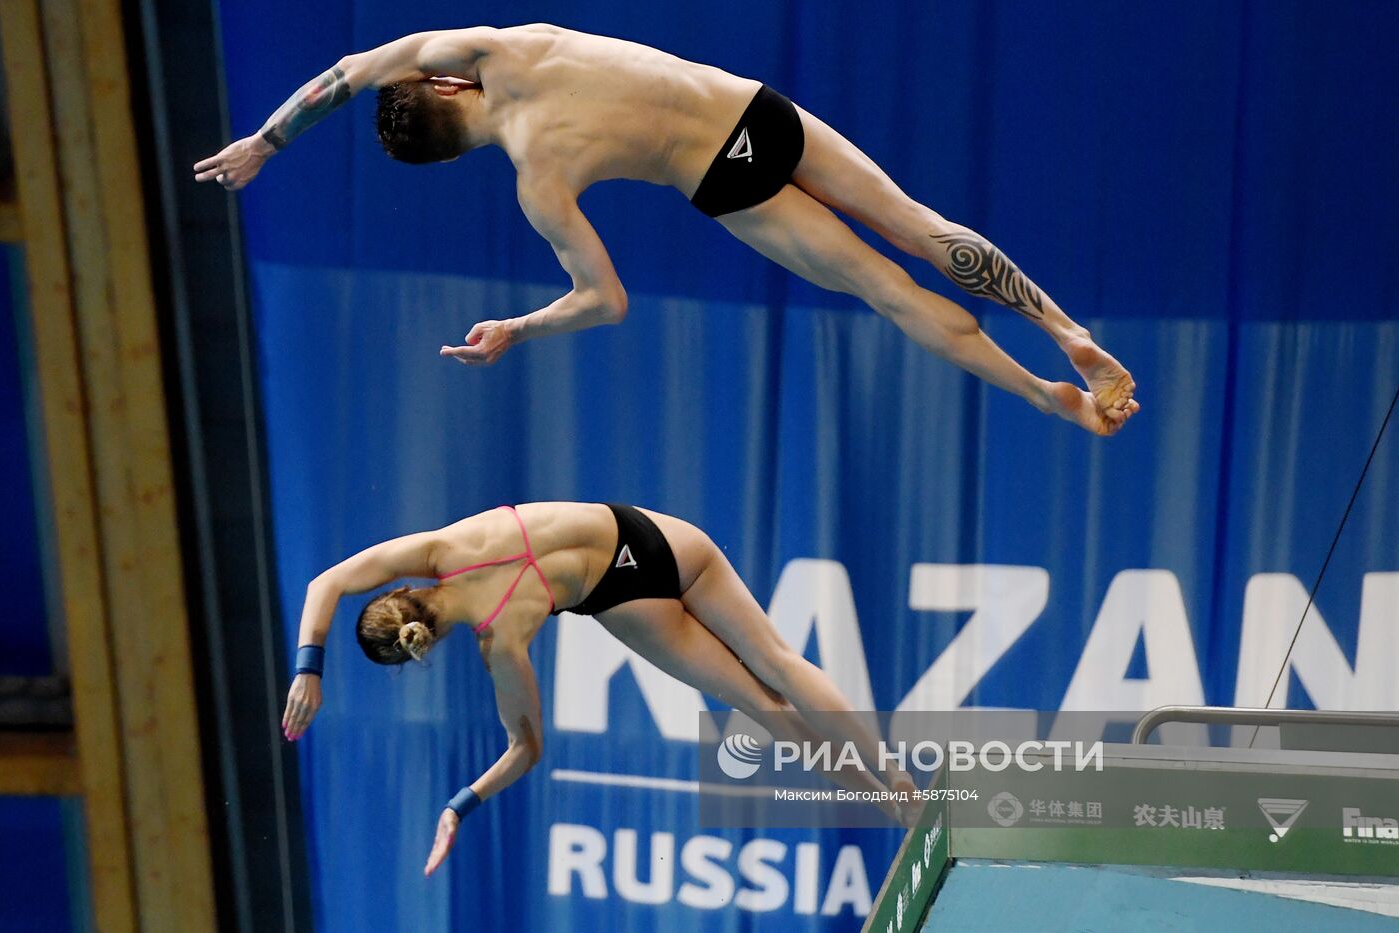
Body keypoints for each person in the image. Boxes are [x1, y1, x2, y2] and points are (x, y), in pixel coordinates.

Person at [195, 24, 1140, 436]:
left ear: (450, 153)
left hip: (724, 185)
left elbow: (604, 302)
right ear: (446, 84)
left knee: (889, 293)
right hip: (757, 114)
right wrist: (270, 140)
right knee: (921, 228)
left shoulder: (540, 182)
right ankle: (1065, 330)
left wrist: (516, 330)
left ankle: (1041, 393)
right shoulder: (507, 49)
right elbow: (356, 67)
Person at [281, 501, 916, 876]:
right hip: (651, 535)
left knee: (764, 707)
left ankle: (897, 815)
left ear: (417, 652)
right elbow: (325, 585)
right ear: (397, 591)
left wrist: (459, 804)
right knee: (778, 661)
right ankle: (899, 780)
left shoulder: (499, 644)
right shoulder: (441, 545)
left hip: (621, 596)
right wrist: (308, 667)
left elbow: (526, 750)